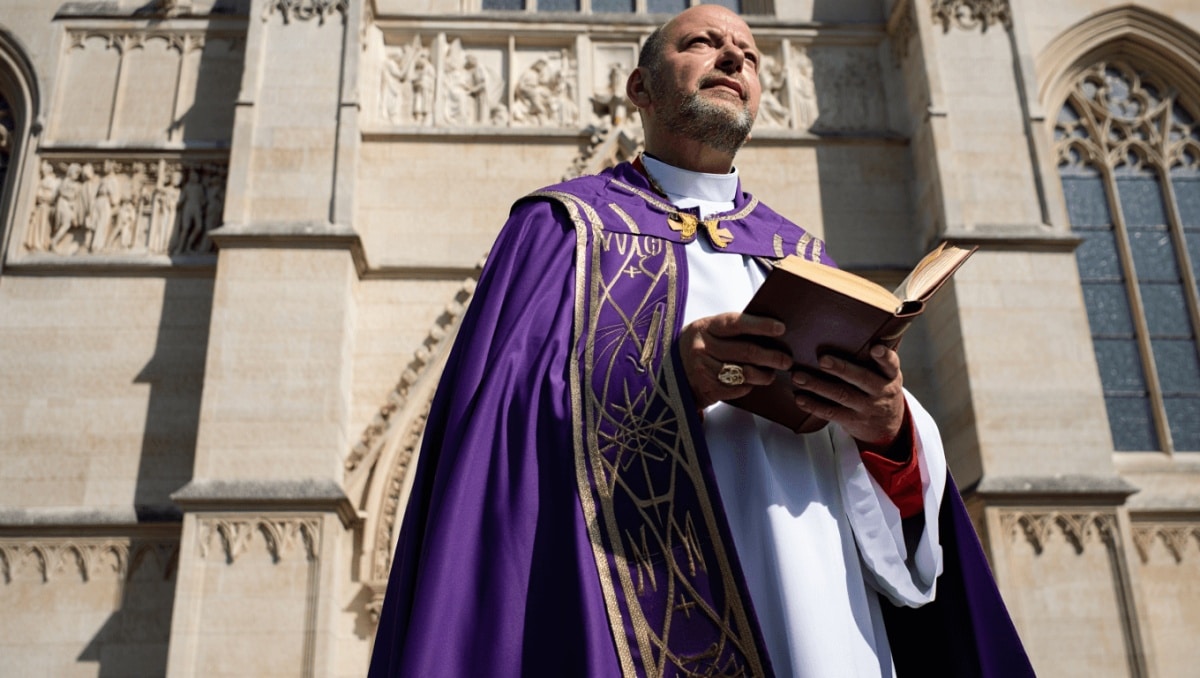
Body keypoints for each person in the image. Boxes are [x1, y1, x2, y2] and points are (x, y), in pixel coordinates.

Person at [369, 6, 1033, 677]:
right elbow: (495, 438)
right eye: (702, 43)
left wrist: (889, 428)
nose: (732, 57)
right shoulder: (562, 230)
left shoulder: (800, 257)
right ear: (640, 88)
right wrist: (667, 379)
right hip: (626, 609)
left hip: (818, 609)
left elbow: (878, 477)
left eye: (747, 50)